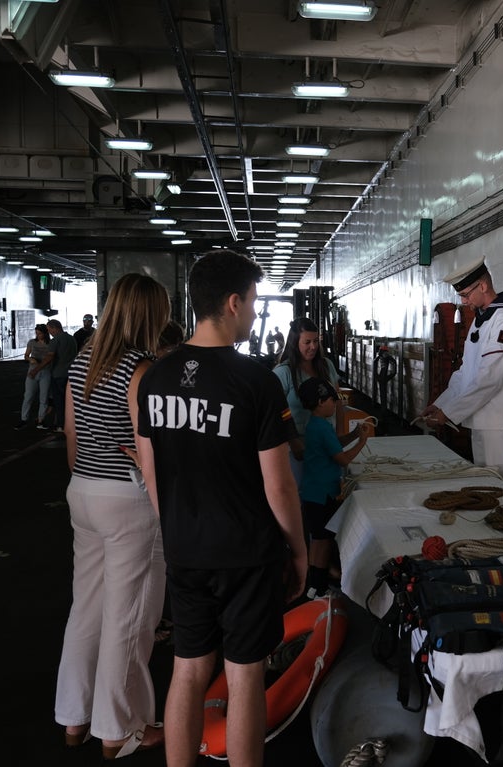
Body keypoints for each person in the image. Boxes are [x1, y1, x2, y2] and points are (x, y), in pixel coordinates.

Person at [135, 250, 307, 767]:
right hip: (246, 553)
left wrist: (181, 529)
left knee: (187, 668)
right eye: (252, 304)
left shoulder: (155, 378)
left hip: (185, 549)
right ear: (232, 303)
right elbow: (278, 486)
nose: (253, 315)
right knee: (244, 673)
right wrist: (297, 549)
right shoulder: (255, 380)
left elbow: (151, 474)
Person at [54, 274, 171, 759]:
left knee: (87, 609)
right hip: (127, 500)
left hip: (83, 490)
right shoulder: (139, 370)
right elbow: (149, 452)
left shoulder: (83, 362)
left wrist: (89, 476)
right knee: (129, 616)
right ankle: (118, 727)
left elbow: (69, 433)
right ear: (151, 315)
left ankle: (73, 719)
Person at [420, 256, 503, 470]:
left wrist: (448, 413)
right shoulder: (482, 320)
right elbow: (466, 372)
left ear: (483, 285)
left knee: (501, 486)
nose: (463, 301)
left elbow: (489, 379)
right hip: (481, 419)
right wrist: (441, 404)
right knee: (487, 485)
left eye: (465, 294)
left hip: (499, 423)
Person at [296, 377, 371, 598]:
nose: (335, 404)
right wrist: (362, 442)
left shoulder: (316, 425)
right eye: (332, 400)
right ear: (320, 402)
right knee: (324, 540)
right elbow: (343, 459)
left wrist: (355, 433)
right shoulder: (322, 428)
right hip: (322, 495)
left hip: (313, 493)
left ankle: (313, 587)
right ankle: (319, 589)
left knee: (318, 540)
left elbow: (334, 446)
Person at [273, 318, 357, 483]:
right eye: (307, 342)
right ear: (294, 342)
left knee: (329, 488)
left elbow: (338, 400)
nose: (313, 347)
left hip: (327, 440)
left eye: (316, 341)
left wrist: (338, 435)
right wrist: (294, 442)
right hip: (299, 447)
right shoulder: (284, 373)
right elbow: (276, 411)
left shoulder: (326, 365)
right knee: (301, 492)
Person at [44, 319, 78, 432]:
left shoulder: (55, 340)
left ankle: (61, 425)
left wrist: (37, 369)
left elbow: (50, 357)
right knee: (70, 401)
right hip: (71, 374)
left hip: (58, 374)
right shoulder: (72, 339)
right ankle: (72, 424)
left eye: (50, 330)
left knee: (59, 402)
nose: (50, 333)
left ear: (55, 328)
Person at [16, 323, 51, 429]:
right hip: (32, 370)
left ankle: (41, 420)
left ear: (45, 333)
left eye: (40, 333)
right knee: (28, 396)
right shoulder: (32, 342)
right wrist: (30, 359)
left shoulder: (51, 344)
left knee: (43, 397)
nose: (38, 335)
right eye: (36, 333)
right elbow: (26, 355)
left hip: (46, 371)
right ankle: (24, 419)